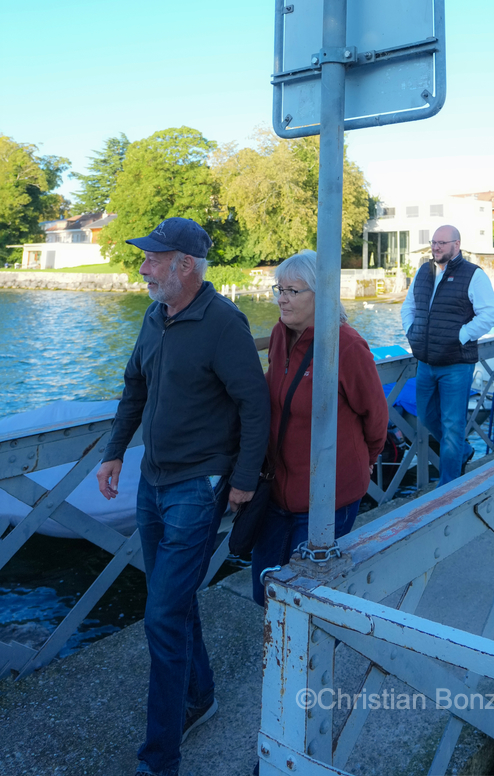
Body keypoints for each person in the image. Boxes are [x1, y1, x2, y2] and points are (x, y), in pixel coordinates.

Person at [97, 218, 270, 776]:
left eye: (153, 258)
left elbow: (253, 405)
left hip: (201, 485)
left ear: (184, 266)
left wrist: (243, 478)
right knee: (171, 601)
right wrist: (114, 451)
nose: (143, 267)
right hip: (153, 479)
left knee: (162, 615)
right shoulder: (154, 315)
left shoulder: (224, 323)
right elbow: (135, 387)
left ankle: (160, 757)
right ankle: (201, 695)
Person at [250, 251, 387, 606]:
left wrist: (368, 459)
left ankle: (303, 662)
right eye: (279, 289)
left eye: (293, 291)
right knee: (264, 590)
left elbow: (375, 414)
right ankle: (276, 660)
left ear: (321, 294)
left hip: (326, 497)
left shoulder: (346, 345)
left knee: (306, 601)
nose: (282, 298)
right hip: (277, 489)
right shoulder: (281, 335)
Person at [401, 225, 494, 484]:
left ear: (457, 244)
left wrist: (460, 336)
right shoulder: (423, 271)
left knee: (453, 426)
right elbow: (408, 306)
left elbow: (489, 315)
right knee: (426, 415)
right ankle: (464, 451)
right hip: (425, 361)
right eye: (433, 242)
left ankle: (448, 490)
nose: (436, 247)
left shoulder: (473, 275)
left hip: (456, 364)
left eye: (442, 243)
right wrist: (412, 332)